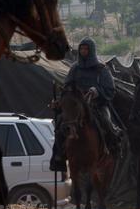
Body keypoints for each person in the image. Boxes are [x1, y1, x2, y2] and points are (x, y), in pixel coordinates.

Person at [50, 38, 122, 171]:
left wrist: (97, 91)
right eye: (81, 49)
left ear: (91, 50)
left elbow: (110, 89)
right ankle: (58, 156)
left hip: (96, 105)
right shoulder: (75, 68)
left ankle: (114, 148)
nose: (83, 51)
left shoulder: (101, 69)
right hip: (77, 105)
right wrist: (61, 101)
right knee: (61, 123)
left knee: (107, 121)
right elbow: (67, 86)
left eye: (86, 49)